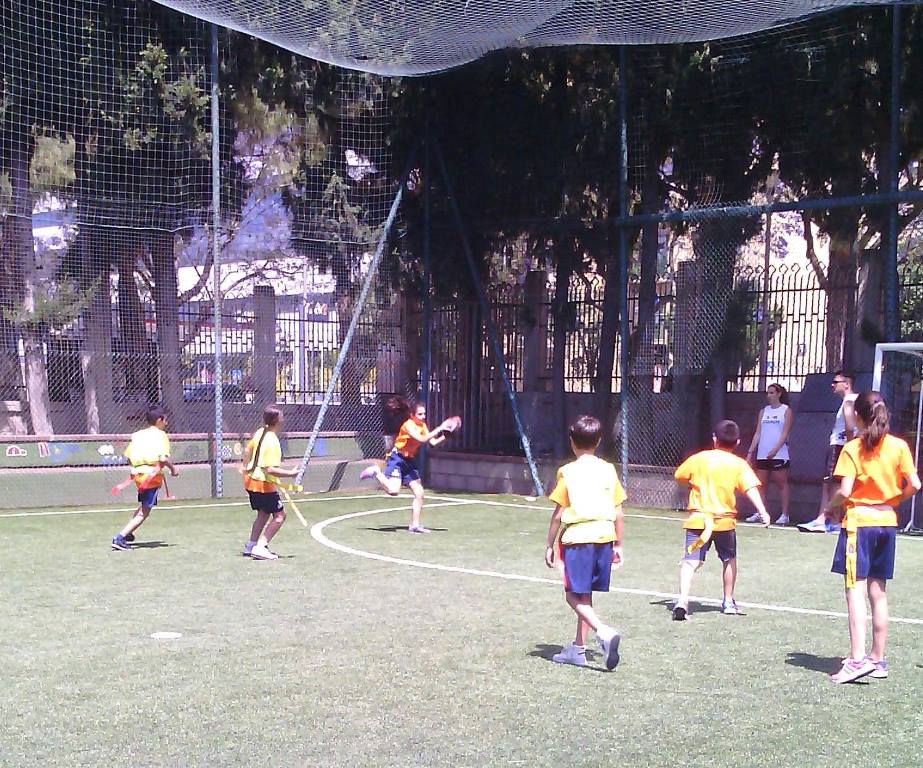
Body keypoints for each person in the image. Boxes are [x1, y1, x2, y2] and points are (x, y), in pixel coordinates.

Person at [823, 392, 920, 684]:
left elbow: (844, 490)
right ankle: (878, 659)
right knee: (878, 592)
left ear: (859, 416)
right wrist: (892, 502)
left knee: (855, 589)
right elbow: (915, 484)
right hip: (887, 524)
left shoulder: (852, 448)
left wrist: (827, 510)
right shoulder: (899, 446)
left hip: (859, 524)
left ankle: (856, 660)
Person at [544, 415, 624, 670]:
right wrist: (619, 544)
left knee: (572, 595)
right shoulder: (609, 469)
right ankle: (578, 649)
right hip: (605, 536)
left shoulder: (567, 471)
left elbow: (558, 513)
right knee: (585, 594)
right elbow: (619, 511)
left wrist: (549, 544)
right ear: (599, 441)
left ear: (572, 442)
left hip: (578, 538)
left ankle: (603, 631)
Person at [672, 420, 769, 621]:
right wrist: (762, 511)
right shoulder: (739, 464)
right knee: (729, 560)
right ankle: (727, 601)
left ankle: (682, 601)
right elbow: (751, 488)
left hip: (699, 520)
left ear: (714, 439)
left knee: (691, 562)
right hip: (724, 522)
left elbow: (679, 475)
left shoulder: (699, 458)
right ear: (737, 442)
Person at [359, 396, 453, 533]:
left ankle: (414, 525)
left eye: (424, 414)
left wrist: (446, 436)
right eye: (420, 414)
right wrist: (440, 427)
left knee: (419, 493)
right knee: (393, 491)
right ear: (412, 415)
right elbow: (421, 439)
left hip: (409, 461)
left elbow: (431, 442)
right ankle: (376, 472)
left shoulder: (423, 426)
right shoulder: (408, 425)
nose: (423, 416)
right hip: (397, 459)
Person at [111, 406, 178, 551]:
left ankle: (129, 532)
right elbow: (163, 458)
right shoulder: (161, 436)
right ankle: (120, 538)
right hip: (150, 477)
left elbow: (128, 456)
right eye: (165, 420)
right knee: (145, 512)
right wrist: (173, 469)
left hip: (138, 475)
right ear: (159, 420)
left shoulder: (138, 435)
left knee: (143, 506)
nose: (166, 423)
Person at [799, 371, 858, 533]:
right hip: (841, 445)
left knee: (831, 484)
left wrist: (850, 445)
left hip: (840, 446)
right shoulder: (851, 400)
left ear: (846, 384)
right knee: (831, 483)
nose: (832, 385)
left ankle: (825, 519)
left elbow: (849, 426)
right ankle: (830, 519)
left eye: (836, 382)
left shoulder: (849, 401)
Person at [242, 405, 301, 561]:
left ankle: (251, 545)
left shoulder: (260, 433)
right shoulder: (272, 441)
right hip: (263, 483)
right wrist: (291, 473)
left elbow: (247, 452)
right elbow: (270, 469)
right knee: (280, 516)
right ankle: (261, 546)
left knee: (263, 513)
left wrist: (246, 468)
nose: (283, 419)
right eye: (281, 417)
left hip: (251, 481)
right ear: (277, 420)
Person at [745, 383, 794, 525]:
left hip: (779, 454)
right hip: (762, 454)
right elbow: (758, 433)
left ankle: (785, 515)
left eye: (772, 393)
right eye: (768, 393)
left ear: (779, 394)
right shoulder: (764, 411)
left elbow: (785, 433)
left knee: (781, 483)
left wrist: (775, 450)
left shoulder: (786, 411)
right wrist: (750, 452)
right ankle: (760, 512)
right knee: (760, 484)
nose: (769, 396)